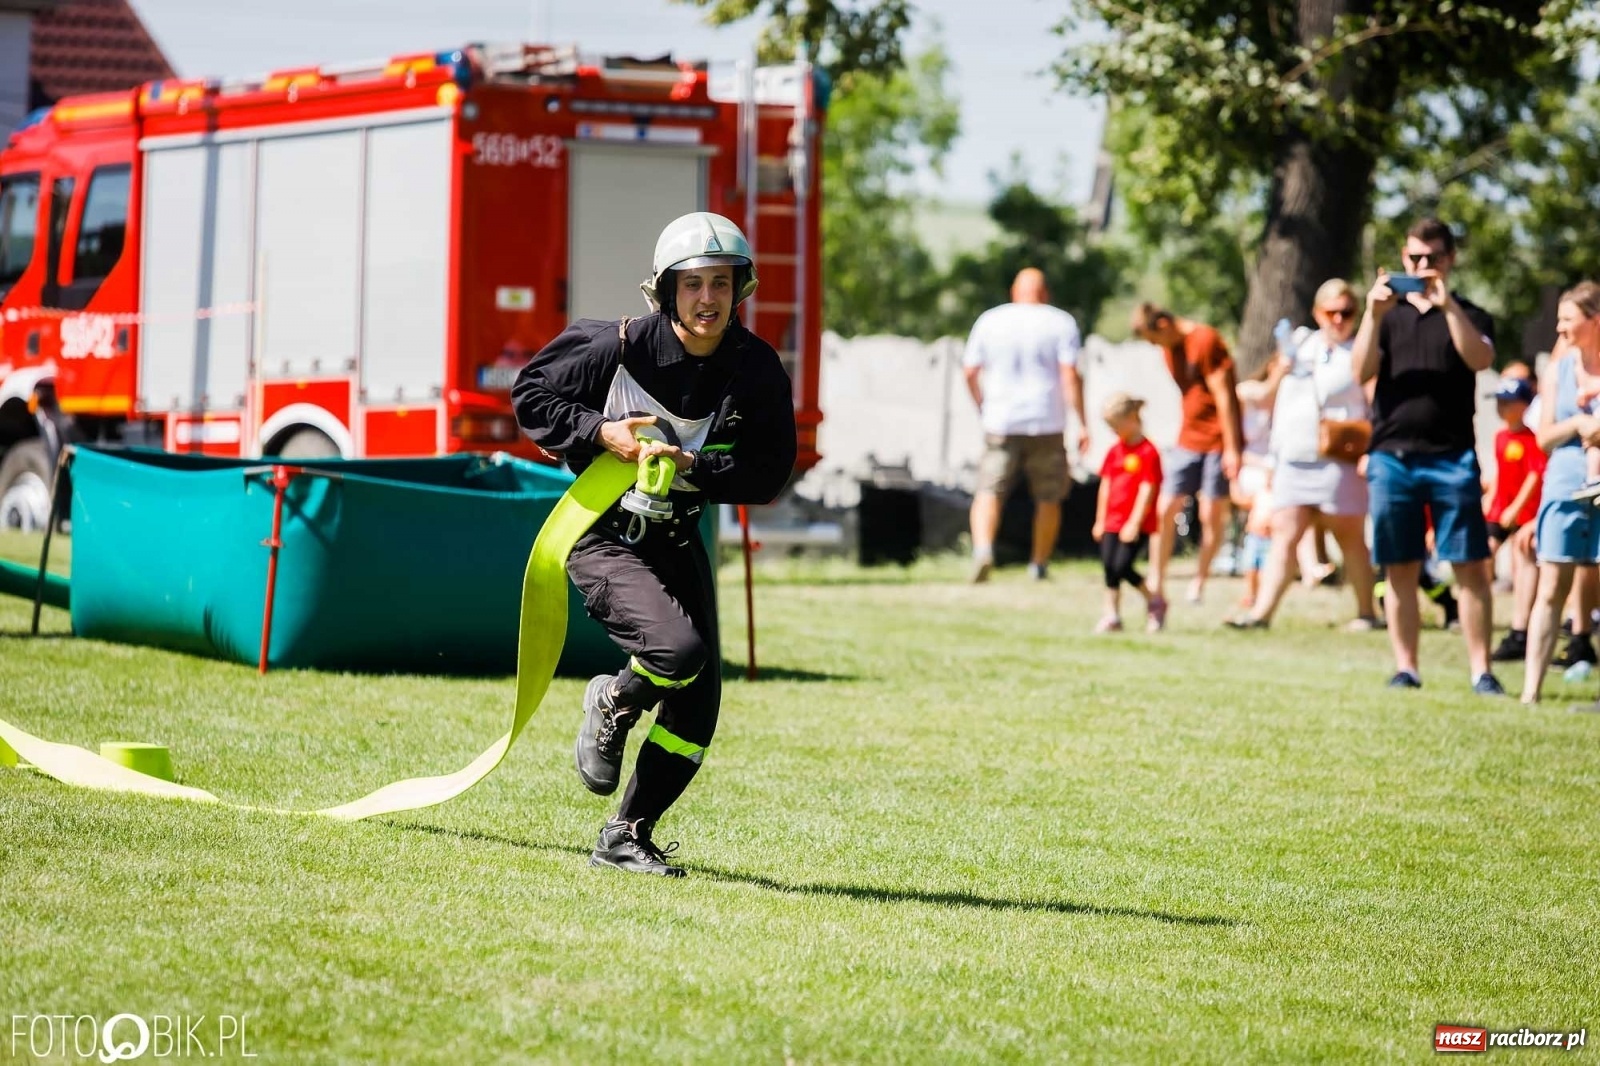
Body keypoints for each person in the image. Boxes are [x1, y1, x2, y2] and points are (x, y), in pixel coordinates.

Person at [512, 211, 796, 876]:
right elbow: (530, 395)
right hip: (599, 532)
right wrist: (599, 432)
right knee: (678, 652)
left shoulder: (756, 367)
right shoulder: (612, 345)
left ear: (740, 289)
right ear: (666, 290)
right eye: (693, 283)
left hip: (676, 536)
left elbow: (770, 470)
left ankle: (625, 836)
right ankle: (612, 699)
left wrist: (697, 466)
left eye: (721, 283)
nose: (707, 298)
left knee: (698, 706)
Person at [1352, 217, 1502, 694]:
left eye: (1432, 258)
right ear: (1402, 257)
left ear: (1449, 259)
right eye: (1414, 257)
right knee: (1400, 565)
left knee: (1470, 565)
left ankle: (1481, 670)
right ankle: (1407, 668)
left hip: (1451, 457)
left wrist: (1447, 305)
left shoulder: (1470, 314)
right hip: (1391, 458)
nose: (1422, 266)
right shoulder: (1387, 316)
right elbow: (1359, 372)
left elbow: (1480, 359)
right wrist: (1372, 314)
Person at [1225, 279, 1376, 630]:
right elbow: (1273, 398)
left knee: (1350, 539)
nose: (1338, 319)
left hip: (1338, 458)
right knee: (1284, 537)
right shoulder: (1300, 345)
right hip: (1294, 456)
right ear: (1317, 313)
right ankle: (1260, 614)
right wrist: (1282, 367)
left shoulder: (1360, 352)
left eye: (1346, 312)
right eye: (1331, 312)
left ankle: (1367, 613)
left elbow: (1374, 404)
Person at [963, 268, 1087, 583]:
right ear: (1045, 293)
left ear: (1014, 292)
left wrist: (982, 405)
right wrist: (1083, 423)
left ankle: (983, 550)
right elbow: (1070, 375)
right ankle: (1038, 564)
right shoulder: (1060, 322)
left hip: (1000, 420)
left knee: (989, 490)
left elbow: (970, 371)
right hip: (1047, 420)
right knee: (1048, 496)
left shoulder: (990, 320)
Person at [1130, 303, 1242, 610]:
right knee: (1165, 508)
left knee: (1210, 514)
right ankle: (1157, 580)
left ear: (1164, 324)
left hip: (1218, 440)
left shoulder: (1205, 340)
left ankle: (1199, 580)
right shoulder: (1170, 351)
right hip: (1188, 438)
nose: (1155, 346)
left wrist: (1232, 447)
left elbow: (1224, 395)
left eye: (1154, 339)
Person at [1522, 284, 1600, 703]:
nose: (1560, 327)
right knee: (1551, 587)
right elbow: (1544, 437)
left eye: (1568, 319)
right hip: (1565, 484)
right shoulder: (1558, 371)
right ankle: (1530, 691)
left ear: (1595, 321)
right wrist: (1577, 425)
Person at [1482, 377, 1544, 660]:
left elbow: (1534, 476)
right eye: (1498, 402)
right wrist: (1491, 497)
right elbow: (1501, 472)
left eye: (1507, 402)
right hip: (1500, 510)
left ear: (1523, 406)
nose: (1501, 407)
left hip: (1524, 513)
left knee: (1524, 561)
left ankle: (1522, 627)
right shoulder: (1500, 437)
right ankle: (1482, 611)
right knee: (1485, 555)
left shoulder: (1532, 439)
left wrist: (1517, 509)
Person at [1092, 393, 1162, 632]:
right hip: (1111, 520)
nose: (1113, 432)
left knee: (1122, 566)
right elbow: (1106, 486)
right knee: (1109, 568)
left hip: (1135, 523)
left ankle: (1154, 601)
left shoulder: (1148, 452)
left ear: (1132, 418)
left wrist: (1134, 522)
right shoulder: (1114, 452)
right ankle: (1111, 615)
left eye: (1116, 426)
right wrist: (1100, 520)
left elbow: (1147, 488)